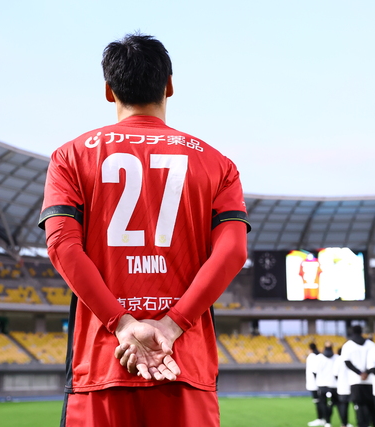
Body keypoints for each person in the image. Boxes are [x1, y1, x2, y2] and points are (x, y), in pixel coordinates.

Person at [40, 33, 250, 427]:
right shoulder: (218, 164)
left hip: (100, 366)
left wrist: (122, 324)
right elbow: (233, 252)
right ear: (169, 85)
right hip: (184, 364)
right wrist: (172, 325)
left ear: (109, 90)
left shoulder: (70, 157)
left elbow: (62, 247)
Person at [341, 325, 375, 427]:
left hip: (356, 381)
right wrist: (367, 373)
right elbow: (374, 362)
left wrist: (360, 373)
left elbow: (347, 363)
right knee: (373, 407)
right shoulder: (371, 344)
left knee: (359, 407)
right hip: (371, 380)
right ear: (361, 332)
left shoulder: (347, 345)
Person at [314, 341, 339, 427]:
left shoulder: (318, 358)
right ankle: (331, 421)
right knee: (331, 404)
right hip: (333, 385)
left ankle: (327, 421)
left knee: (323, 404)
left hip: (323, 385)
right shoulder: (336, 357)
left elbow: (314, 372)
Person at [333, 345, 354, 427]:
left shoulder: (338, 360)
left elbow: (335, 374)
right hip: (354, 385)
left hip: (342, 387)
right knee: (359, 405)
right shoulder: (352, 358)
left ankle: (344, 424)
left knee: (343, 406)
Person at [307, 342, 326, 426]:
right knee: (321, 402)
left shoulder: (312, 357)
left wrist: (317, 382)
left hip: (315, 384)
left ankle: (320, 419)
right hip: (318, 383)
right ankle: (323, 419)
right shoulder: (319, 356)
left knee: (318, 402)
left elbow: (314, 371)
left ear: (310, 348)